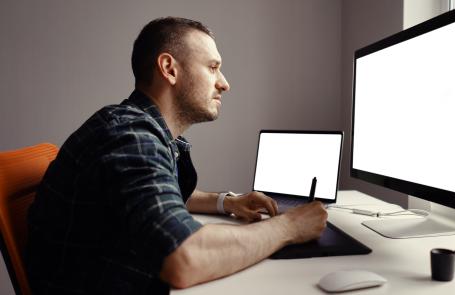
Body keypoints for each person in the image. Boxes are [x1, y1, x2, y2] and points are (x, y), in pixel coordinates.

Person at [25, 17, 328, 295]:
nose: (224, 83)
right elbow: (185, 260)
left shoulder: (134, 128)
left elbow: (153, 196)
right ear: (169, 69)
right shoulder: (130, 137)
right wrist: (290, 227)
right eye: (212, 67)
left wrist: (226, 202)